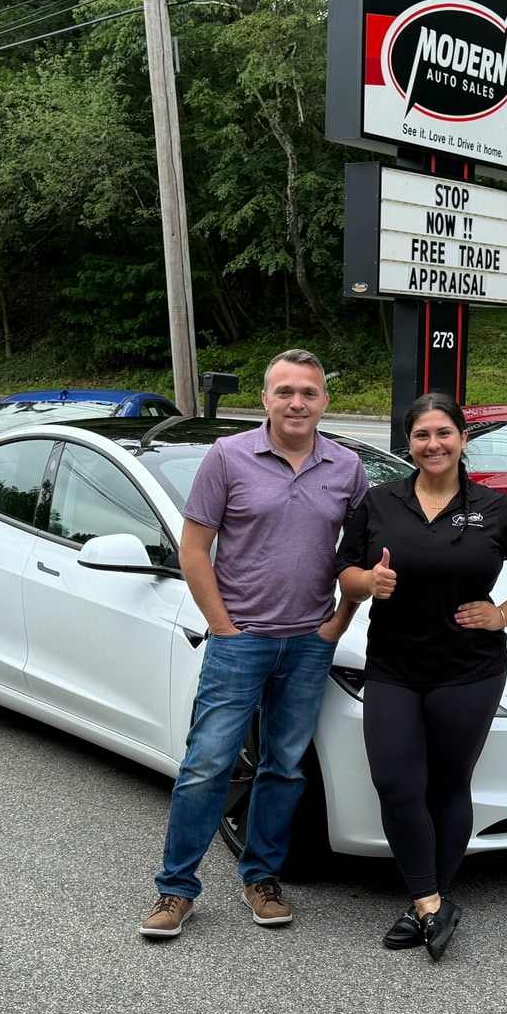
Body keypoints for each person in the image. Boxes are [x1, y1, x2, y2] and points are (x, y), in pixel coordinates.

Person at [326, 392, 507, 960]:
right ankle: (431, 902)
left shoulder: (496, 508)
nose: (432, 445)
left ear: (461, 440)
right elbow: (344, 569)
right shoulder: (380, 502)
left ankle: (425, 903)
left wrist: (502, 613)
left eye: (443, 433)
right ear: (408, 444)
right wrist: (367, 584)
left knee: (448, 784)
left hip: (469, 670)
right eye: (421, 435)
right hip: (393, 667)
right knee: (395, 781)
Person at [139, 350, 368, 940]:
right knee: (205, 763)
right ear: (265, 398)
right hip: (240, 640)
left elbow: (361, 556)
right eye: (285, 391)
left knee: (284, 766)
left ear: (325, 401)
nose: (298, 402)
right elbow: (195, 549)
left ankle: (261, 876)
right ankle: (175, 889)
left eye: (310, 393)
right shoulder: (228, 457)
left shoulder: (346, 467)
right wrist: (221, 626)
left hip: (309, 642)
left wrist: (339, 621)